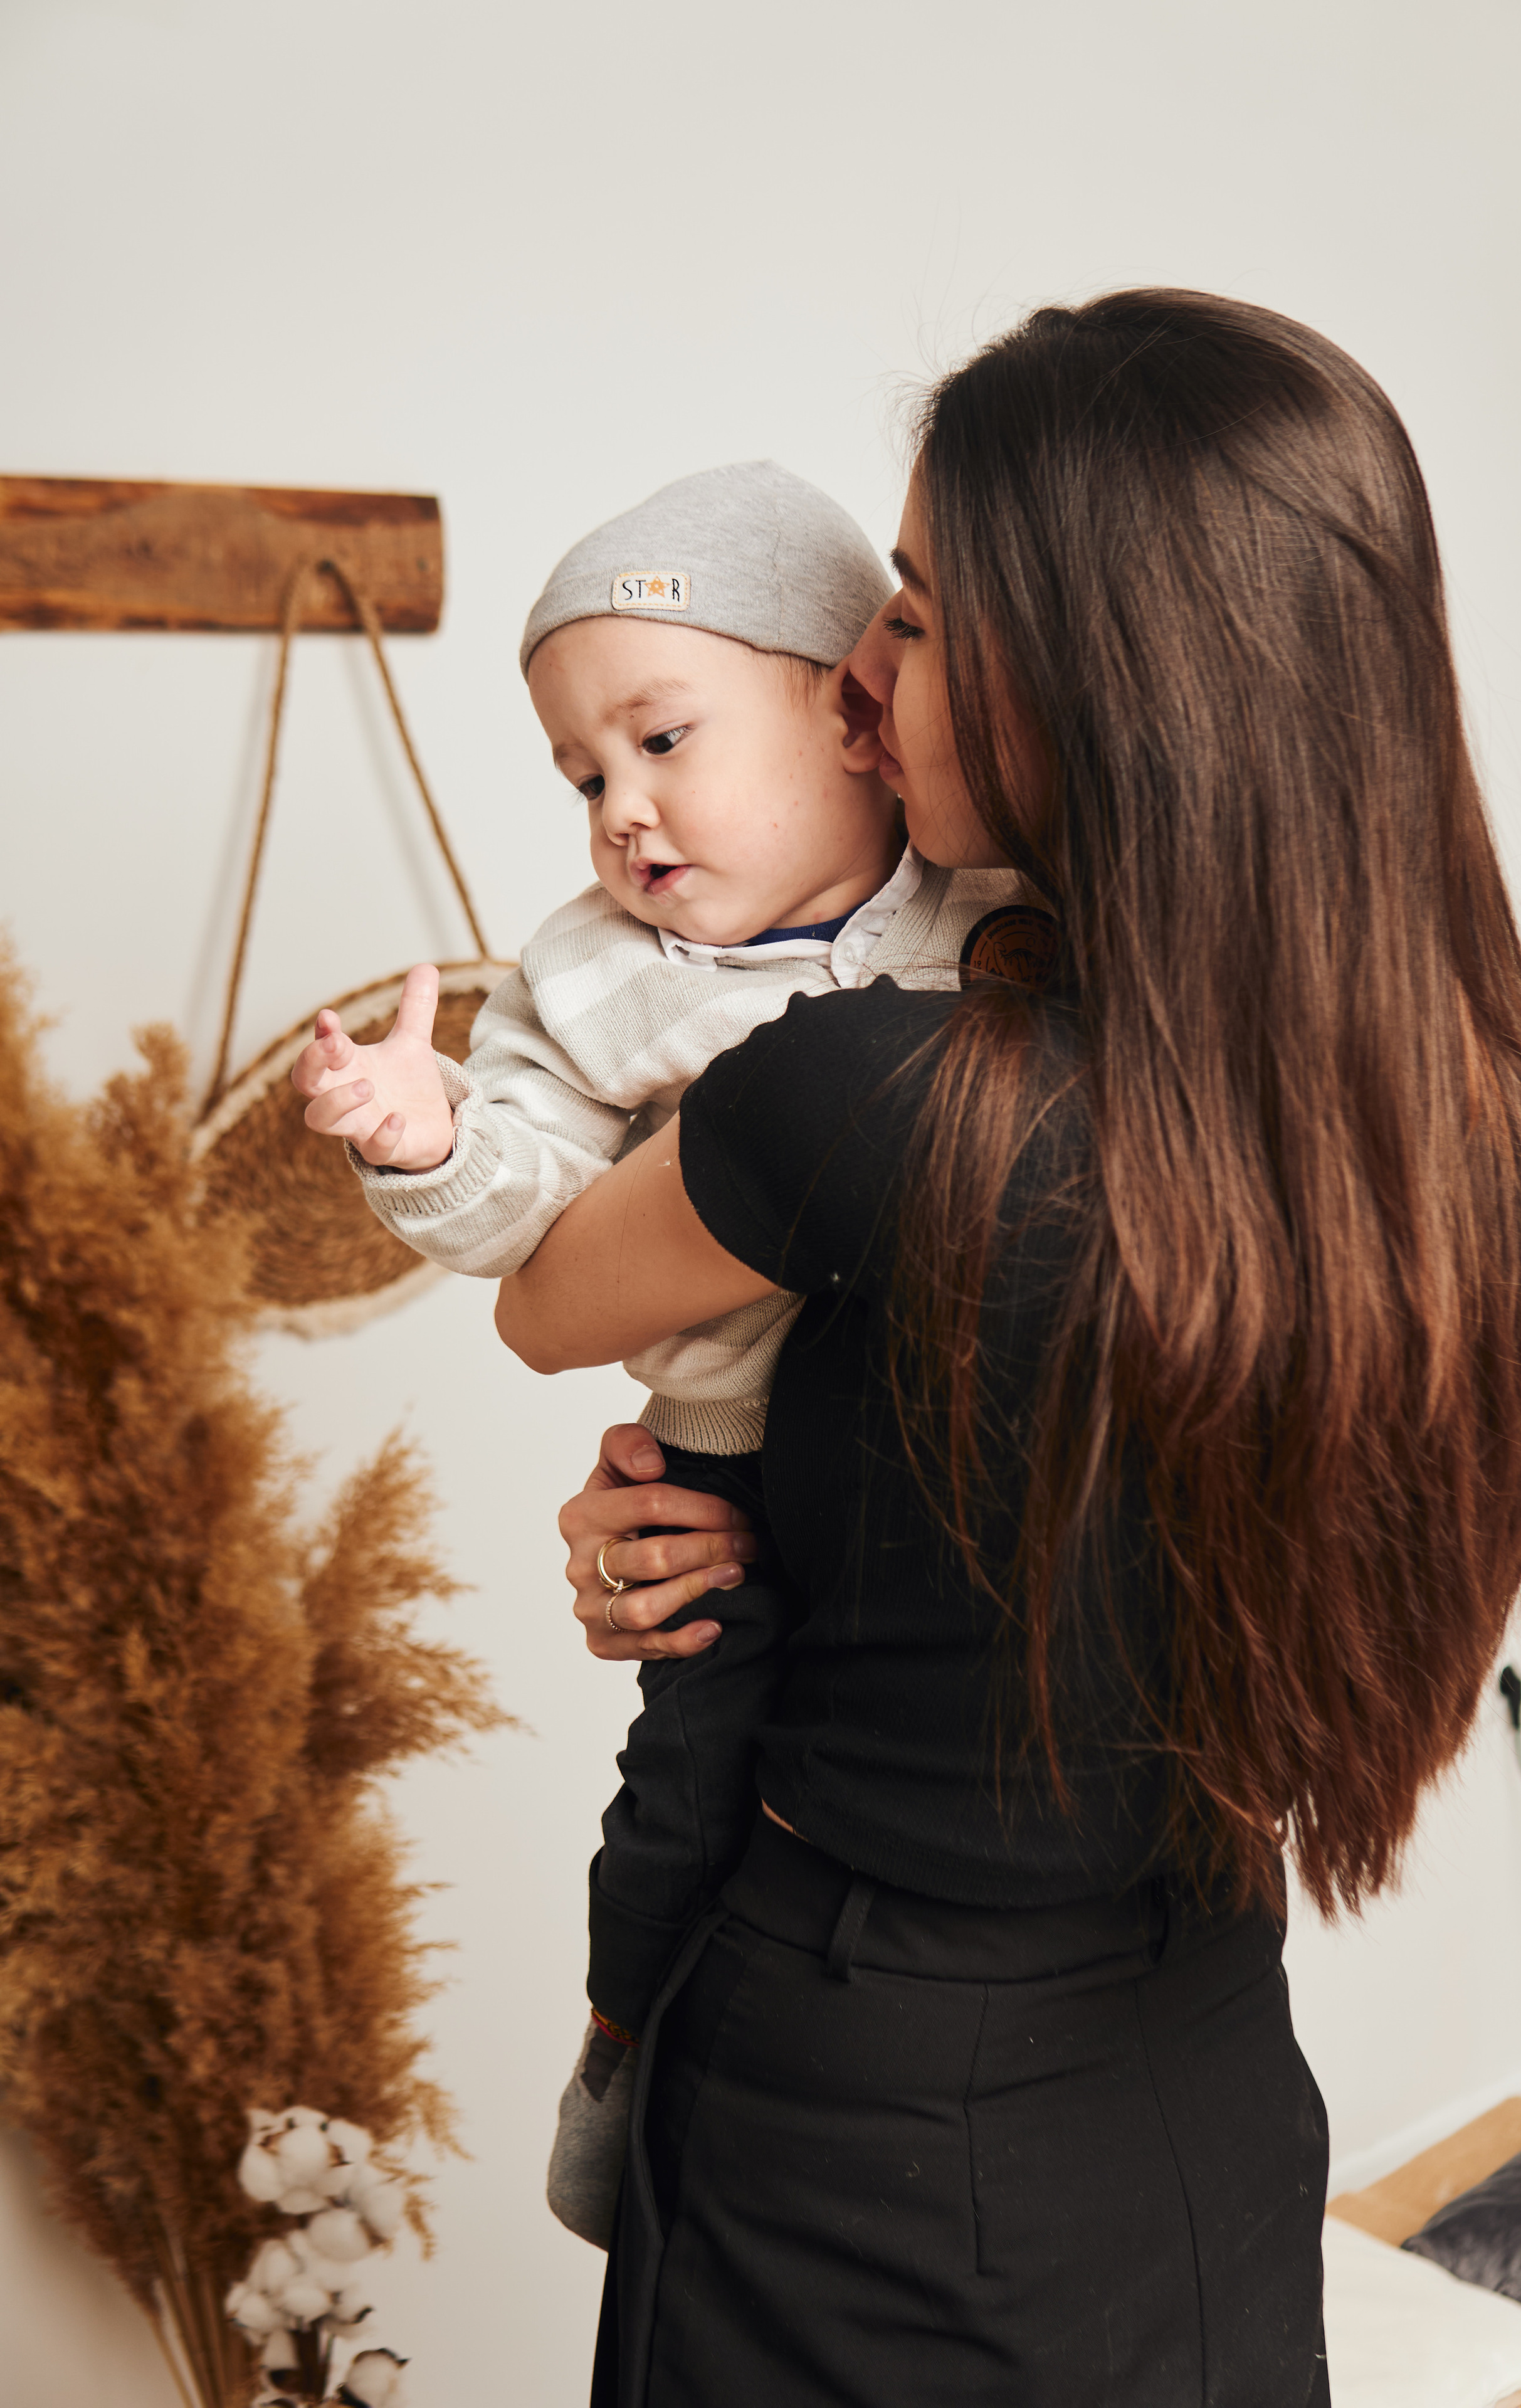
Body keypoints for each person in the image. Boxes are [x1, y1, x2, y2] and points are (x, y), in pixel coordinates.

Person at [500, 289, 1521, 2406]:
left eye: (911, 606)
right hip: (1201, 2064)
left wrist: (679, 1515)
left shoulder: (875, 1098)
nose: (857, 668)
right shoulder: (1482, 1145)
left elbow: (548, 1299)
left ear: (1099, 672)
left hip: (866, 2098)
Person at [289, 458, 1027, 2246]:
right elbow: (530, 1240)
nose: (622, 811)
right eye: (583, 776)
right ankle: (626, 2045)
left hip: (953, 1484)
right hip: (722, 1465)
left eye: (663, 740)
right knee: (691, 1770)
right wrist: (426, 1132)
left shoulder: (986, 907)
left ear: (850, 709)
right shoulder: (600, 979)